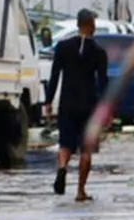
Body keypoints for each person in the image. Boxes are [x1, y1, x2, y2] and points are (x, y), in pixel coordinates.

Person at [46, 10, 108, 201]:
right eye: (94, 23)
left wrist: (48, 101)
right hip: (89, 106)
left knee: (65, 144)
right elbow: (103, 82)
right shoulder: (98, 51)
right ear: (89, 24)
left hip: (67, 103)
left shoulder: (63, 47)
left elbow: (55, 75)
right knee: (86, 149)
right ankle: (80, 191)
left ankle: (63, 168)